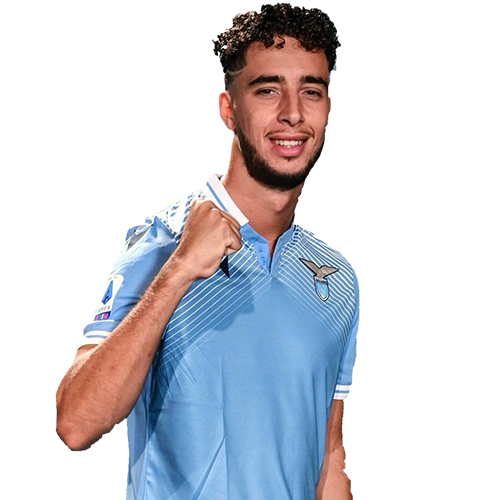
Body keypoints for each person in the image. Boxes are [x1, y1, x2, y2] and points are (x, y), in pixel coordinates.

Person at [55, 4, 359, 500]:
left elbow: (328, 455)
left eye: (311, 90)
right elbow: (75, 423)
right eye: (267, 90)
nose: (293, 113)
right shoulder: (162, 244)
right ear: (228, 108)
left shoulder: (338, 279)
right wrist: (178, 272)